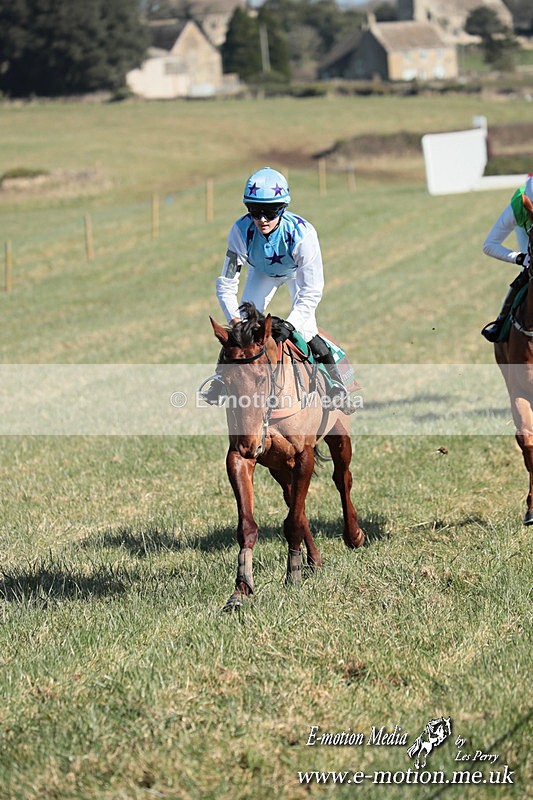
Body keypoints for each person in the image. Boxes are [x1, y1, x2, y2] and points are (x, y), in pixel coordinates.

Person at [204, 166, 355, 411]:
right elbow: (226, 284)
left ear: (282, 208)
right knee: (241, 332)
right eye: (254, 211)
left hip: (297, 274)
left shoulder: (303, 235)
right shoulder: (240, 231)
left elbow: (311, 290)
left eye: (270, 212)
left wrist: (290, 324)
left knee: (306, 331)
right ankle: (220, 380)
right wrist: (235, 320)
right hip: (262, 272)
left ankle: (335, 385)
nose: (262, 219)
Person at [481, 174, 533, 342]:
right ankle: (501, 323)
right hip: (528, 234)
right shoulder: (519, 205)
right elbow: (489, 245)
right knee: (528, 271)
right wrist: (520, 258)